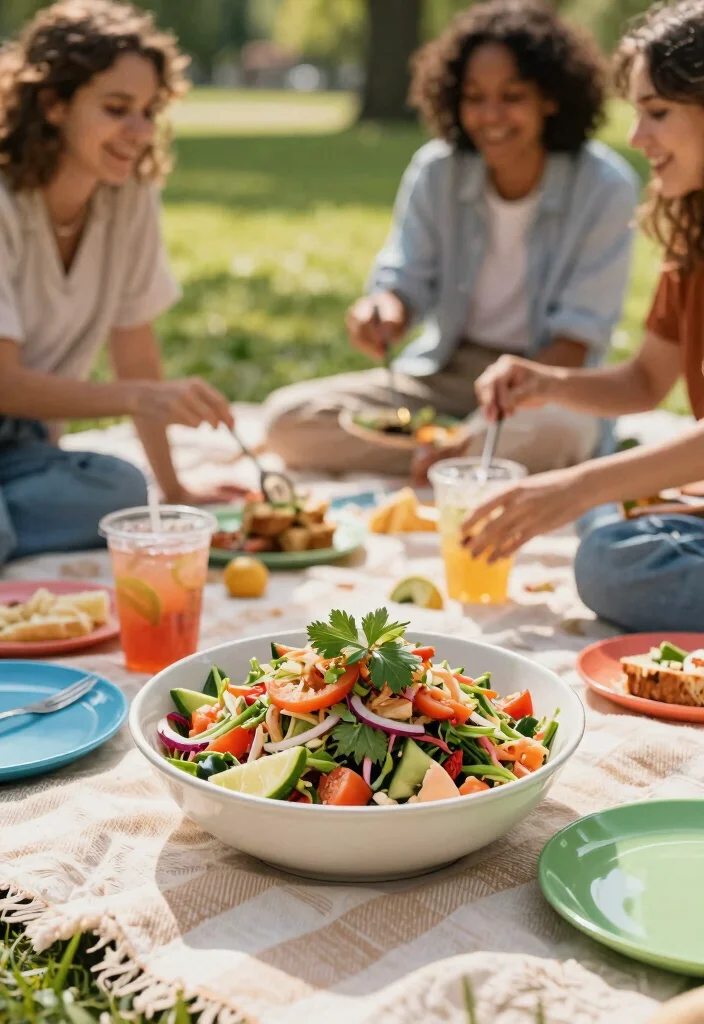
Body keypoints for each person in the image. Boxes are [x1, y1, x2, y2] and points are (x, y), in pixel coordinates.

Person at [263, 0, 639, 478]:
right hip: (446, 373)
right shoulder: (437, 170)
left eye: (512, 96)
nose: (490, 116)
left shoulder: (605, 187)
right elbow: (405, 280)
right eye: (474, 97)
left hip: (546, 386)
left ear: (551, 98)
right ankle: (461, 461)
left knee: (561, 435)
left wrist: (485, 419)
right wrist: (384, 310)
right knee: (286, 420)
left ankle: (454, 455)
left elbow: (577, 342)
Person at [460, 0, 704, 633]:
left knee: (607, 560)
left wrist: (576, 485)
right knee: (608, 529)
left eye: (657, 112)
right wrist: (546, 382)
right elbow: (646, 381)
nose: (636, 137)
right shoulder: (693, 237)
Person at [0, 0, 242, 568]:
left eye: (148, 111)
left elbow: (134, 347)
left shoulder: (127, 196)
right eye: (116, 108)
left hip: (25, 451)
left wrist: (175, 490)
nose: (138, 132)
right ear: (53, 103)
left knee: (126, 492)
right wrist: (142, 397)